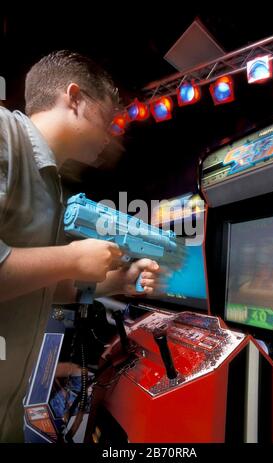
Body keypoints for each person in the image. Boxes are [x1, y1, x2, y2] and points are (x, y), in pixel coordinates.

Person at [0, 50, 160, 442]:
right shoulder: (4, 132)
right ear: (74, 99)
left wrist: (119, 280)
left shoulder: (52, 185)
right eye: (107, 121)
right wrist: (72, 256)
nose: (109, 136)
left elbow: (44, 286)